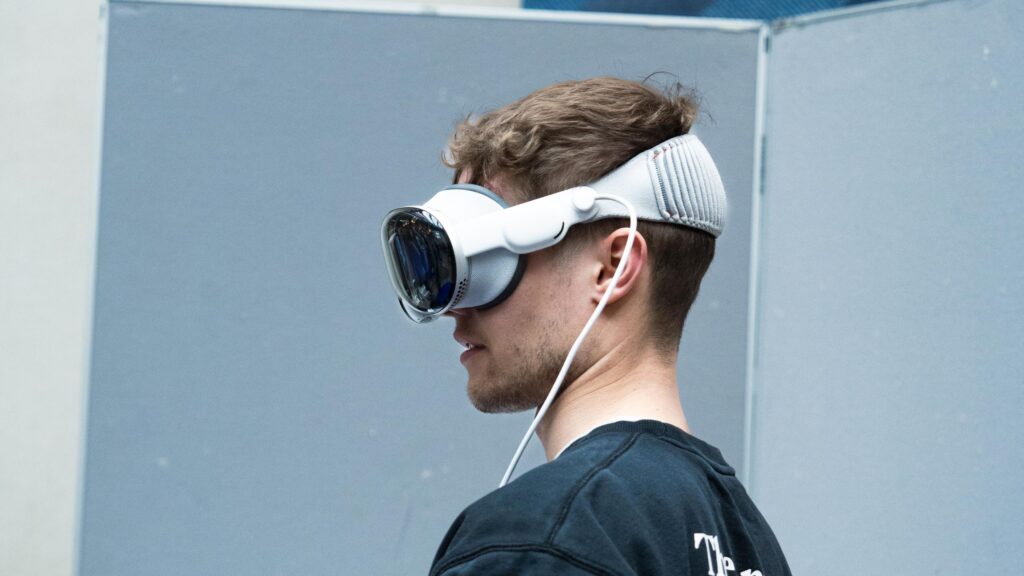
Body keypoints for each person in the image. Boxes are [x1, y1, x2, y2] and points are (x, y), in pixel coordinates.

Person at [425, 77, 790, 575]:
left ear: (613, 266)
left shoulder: (542, 537)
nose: (454, 308)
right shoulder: (747, 542)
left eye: (487, 265)